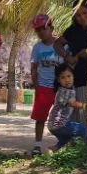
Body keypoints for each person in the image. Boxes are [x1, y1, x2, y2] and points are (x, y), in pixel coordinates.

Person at [53, 0, 87, 125]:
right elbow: (57, 44)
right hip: (79, 77)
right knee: (80, 115)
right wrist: (67, 57)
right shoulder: (73, 30)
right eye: (77, 15)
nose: (82, 17)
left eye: (85, 13)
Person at [28, 14, 64, 155]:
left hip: (60, 87)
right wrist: (37, 86)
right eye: (38, 30)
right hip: (43, 87)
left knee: (62, 116)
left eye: (44, 28)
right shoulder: (37, 48)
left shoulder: (61, 45)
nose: (41, 32)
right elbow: (33, 68)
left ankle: (63, 142)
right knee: (40, 117)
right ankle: (37, 144)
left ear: (51, 28)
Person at [47, 64, 87, 151]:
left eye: (69, 76)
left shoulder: (69, 89)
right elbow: (72, 103)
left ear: (73, 76)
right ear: (58, 80)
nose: (67, 80)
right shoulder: (63, 91)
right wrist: (85, 105)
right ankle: (80, 150)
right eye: (63, 77)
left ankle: (50, 151)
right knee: (83, 130)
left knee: (64, 142)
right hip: (60, 125)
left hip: (54, 126)